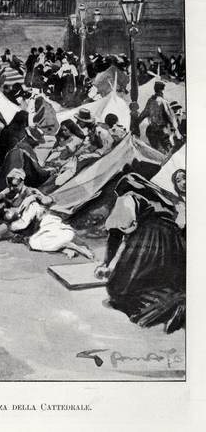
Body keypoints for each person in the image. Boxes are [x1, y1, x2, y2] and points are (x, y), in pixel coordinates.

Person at [94, 173, 185, 333]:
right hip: (175, 246)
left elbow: (115, 233)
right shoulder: (164, 202)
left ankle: (174, 303)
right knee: (161, 280)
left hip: (151, 241)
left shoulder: (127, 197)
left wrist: (106, 263)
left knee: (118, 289)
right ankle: (175, 299)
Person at [139, 81, 179, 153]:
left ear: (155, 89)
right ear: (162, 90)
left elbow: (143, 114)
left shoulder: (150, 101)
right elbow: (170, 117)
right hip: (162, 131)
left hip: (151, 131)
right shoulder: (164, 102)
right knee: (168, 152)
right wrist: (176, 130)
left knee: (157, 153)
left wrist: (136, 123)